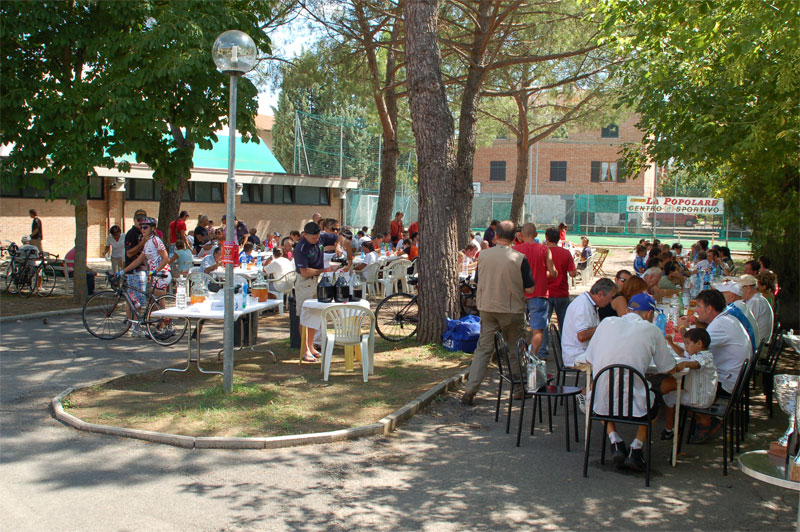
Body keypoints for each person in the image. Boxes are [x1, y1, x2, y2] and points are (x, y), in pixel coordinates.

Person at [584, 292, 681, 471]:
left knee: (598, 394)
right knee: (656, 399)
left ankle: (614, 440)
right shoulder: (651, 330)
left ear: (628, 310)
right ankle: (636, 448)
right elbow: (668, 368)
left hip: (601, 400)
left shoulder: (606, 323)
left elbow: (589, 358)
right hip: (634, 402)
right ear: (650, 314)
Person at [461, 221, 535, 406]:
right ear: (514, 238)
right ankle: (518, 389)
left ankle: (470, 388)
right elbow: (530, 287)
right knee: (515, 348)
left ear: (496, 236)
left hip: (487, 307)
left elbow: (478, 280)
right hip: (511, 309)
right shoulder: (519, 257)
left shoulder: (483, 256)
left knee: (483, 349)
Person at [677, 289, 750, 441]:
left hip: (728, 381)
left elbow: (691, 350)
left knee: (680, 380)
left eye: (698, 306)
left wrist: (682, 328)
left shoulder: (719, 325)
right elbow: (705, 338)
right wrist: (697, 323)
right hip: (736, 377)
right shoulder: (725, 319)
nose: (696, 310)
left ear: (709, 308)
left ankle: (704, 420)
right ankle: (700, 417)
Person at [660, 327, 717, 441]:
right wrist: (671, 342)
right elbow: (682, 352)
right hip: (698, 394)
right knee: (669, 393)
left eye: (687, 343)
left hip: (700, 398)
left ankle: (669, 429)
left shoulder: (705, 357)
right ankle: (671, 428)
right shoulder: (696, 354)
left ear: (699, 343)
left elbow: (697, 364)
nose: (685, 346)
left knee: (668, 398)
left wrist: (685, 363)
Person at [120, 217, 173, 338]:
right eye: (141, 227)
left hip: (162, 274)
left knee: (159, 303)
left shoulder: (156, 240)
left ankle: (166, 327)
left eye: (145, 227)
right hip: (155, 275)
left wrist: (155, 271)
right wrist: (124, 270)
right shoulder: (148, 243)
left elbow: (166, 258)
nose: (142, 229)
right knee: (156, 304)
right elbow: (138, 260)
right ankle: (163, 326)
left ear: (153, 228)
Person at [294, 222, 337, 363]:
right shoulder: (301, 248)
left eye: (317, 237)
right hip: (305, 283)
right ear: (305, 235)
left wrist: (340, 247)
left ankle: (311, 346)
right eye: (313, 238)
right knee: (304, 315)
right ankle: (304, 349)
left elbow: (339, 236)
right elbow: (304, 272)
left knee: (315, 314)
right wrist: (324, 270)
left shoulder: (321, 238)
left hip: (318, 281)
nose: (316, 240)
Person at [515, 223, 557, 357]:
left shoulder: (516, 249)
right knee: (538, 329)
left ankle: (517, 355)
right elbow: (553, 272)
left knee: (516, 327)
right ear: (536, 234)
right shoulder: (545, 249)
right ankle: (532, 355)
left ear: (521, 235)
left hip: (519, 293)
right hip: (539, 293)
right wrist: (544, 274)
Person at [537, 227, 577, 359]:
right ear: (559, 238)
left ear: (546, 238)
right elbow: (572, 273)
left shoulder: (542, 252)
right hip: (562, 292)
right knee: (564, 324)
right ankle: (565, 350)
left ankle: (543, 351)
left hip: (546, 293)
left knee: (544, 323)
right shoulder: (565, 253)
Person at [561, 278, 617, 370]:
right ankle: (599, 384)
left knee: (614, 357)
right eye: (611, 297)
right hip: (576, 356)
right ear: (600, 294)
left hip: (583, 352)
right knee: (612, 364)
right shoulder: (582, 305)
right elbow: (582, 336)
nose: (611, 301)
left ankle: (600, 384)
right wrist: (604, 327)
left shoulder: (588, 303)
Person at [124, 210, 149, 336]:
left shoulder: (143, 233)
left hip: (141, 269)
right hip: (135, 270)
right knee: (136, 301)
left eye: (143, 219)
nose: (141, 222)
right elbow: (129, 253)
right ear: (134, 220)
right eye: (139, 219)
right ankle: (135, 327)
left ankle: (133, 324)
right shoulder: (131, 234)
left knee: (135, 299)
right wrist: (142, 244)